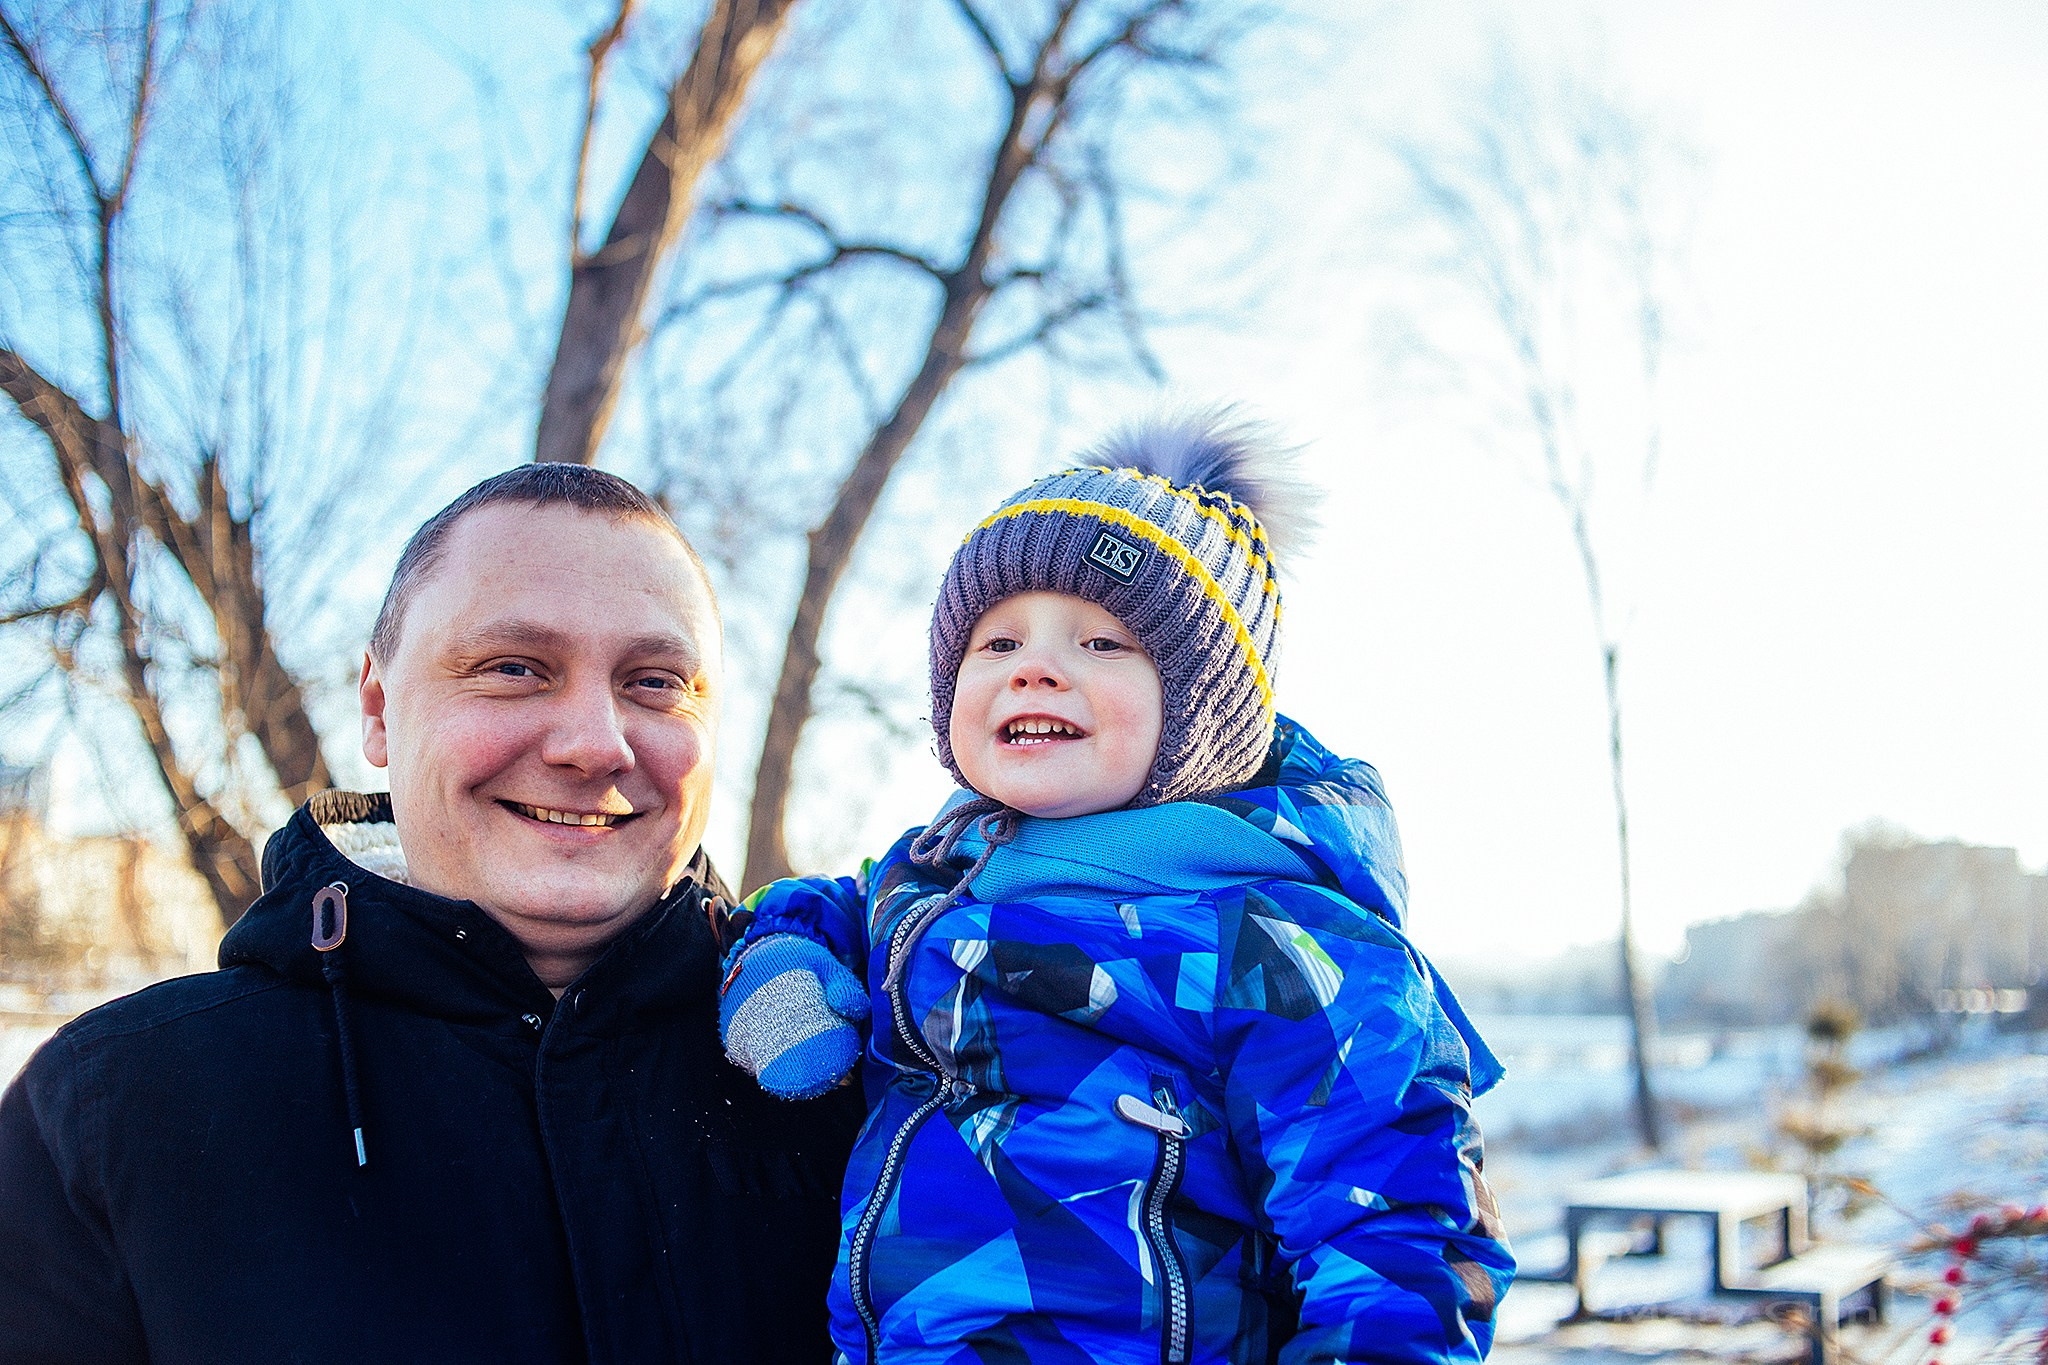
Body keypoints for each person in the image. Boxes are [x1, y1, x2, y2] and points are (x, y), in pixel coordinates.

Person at [0, 465, 859, 1364]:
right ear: (376, 708)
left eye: (655, 682)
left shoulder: (882, 1077)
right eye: (514, 668)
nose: (594, 742)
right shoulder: (117, 1109)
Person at [719, 412, 1515, 1364]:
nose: (1037, 667)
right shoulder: (929, 878)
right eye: (997, 642)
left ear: (1202, 714)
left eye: (1103, 643)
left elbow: (1397, 1231)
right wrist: (781, 955)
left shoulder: (1278, 938)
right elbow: (825, 905)